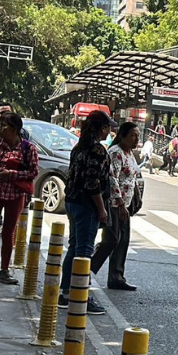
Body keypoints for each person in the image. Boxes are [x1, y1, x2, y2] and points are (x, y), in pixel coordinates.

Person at [59, 110, 115, 315]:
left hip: (73, 201)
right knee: (84, 251)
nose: (110, 131)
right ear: (102, 129)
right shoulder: (97, 150)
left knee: (74, 247)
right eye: (108, 127)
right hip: (86, 205)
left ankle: (66, 292)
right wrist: (101, 209)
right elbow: (93, 183)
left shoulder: (78, 148)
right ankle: (80, 295)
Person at [0, 112, 38, 287]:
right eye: (0, 125)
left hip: (15, 196)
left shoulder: (28, 149)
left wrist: (11, 175)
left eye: (4, 126)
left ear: (14, 129)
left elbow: (33, 172)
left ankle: (4, 270)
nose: (0, 129)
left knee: (9, 233)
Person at [93, 122, 142, 291]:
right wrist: (120, 203)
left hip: (126, 205)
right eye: (132, 136)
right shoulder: (115, 153)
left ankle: (116, 276)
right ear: (122, 136)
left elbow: (132, 177)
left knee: (123, 241)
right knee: (111, 240)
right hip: (114, 203)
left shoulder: (130, 153)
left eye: (137, 135)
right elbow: (112, 178)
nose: (136, 139)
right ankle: (87, 270)